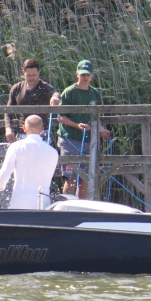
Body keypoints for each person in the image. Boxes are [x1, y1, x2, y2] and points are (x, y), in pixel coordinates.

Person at [56, 59, 110, 198]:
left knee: (85, 179)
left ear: (91, 76)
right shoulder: (69, 92)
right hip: (69, 139)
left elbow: (96, 118)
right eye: (82, 74)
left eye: (87, 74)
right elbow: (61, 117)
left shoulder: (95, 93)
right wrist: (77, 125)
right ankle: (66, 206)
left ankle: (81, 207)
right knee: (70, 178)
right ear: (77, 74)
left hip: (88, 141)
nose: (85, 77)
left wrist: (101, 130)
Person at [0, 115, 60, 209]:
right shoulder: (53, 152)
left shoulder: (16, 147)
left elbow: (5, 172)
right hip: (43, 202)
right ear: (42, 129)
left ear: (24, 128)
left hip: (20, 201)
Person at [5, 58, 60, 143]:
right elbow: (8, 111)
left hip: (42, 133)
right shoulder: (17, 88)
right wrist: (8, 128)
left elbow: (55, 93)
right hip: (22, 133)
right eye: (28, 75)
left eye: (34, 75)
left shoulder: (45, 87)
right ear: (23, 72)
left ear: (39, 73)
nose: (31, 78)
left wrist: (55, 97)